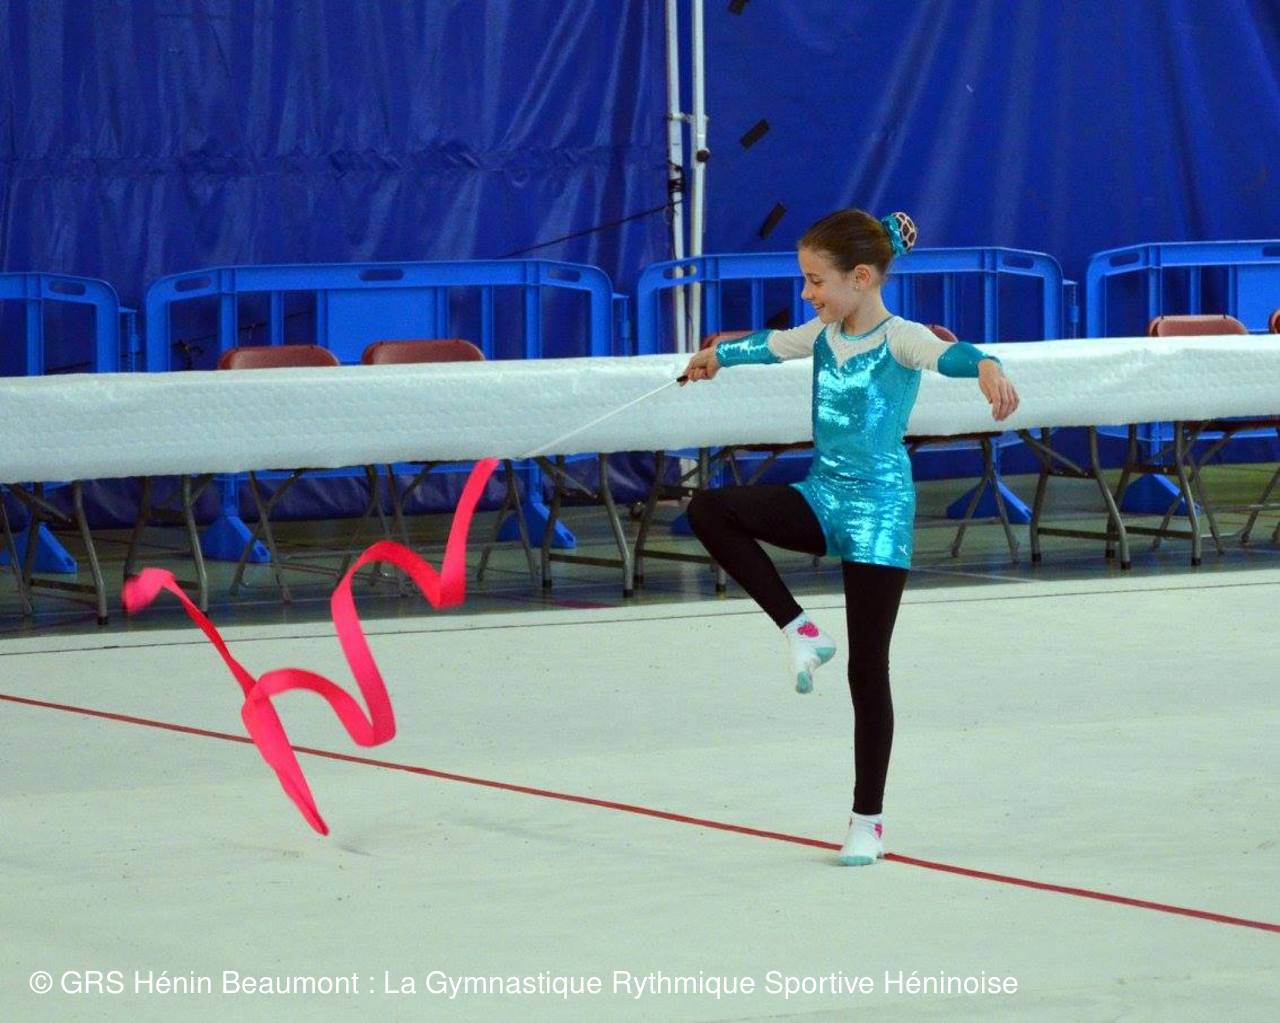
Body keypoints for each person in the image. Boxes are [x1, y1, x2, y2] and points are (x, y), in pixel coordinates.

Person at [679, 209, 1019, 866]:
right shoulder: (823, 334)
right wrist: (717, 356)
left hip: (879, 514)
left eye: (816, 281)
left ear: (860, 277)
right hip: (823, 496)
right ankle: (800, 629)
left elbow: (950, 355)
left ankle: (868, 820)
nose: (807, 293)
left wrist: (986, 365)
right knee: (711, 509)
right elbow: (770, 344)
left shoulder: (901, 338)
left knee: (868, 669)